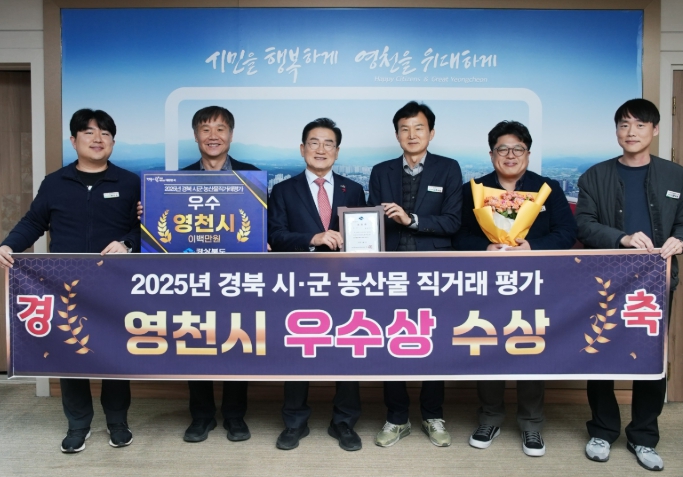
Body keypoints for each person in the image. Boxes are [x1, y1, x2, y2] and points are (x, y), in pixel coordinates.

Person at [0, 109, 140, 453]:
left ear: (113, 142)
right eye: (89, 132)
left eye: (105, 133)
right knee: (70, 353)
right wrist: (9, 245)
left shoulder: (129, 182)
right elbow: (34, 222)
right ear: (74, 140)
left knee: (115, 354)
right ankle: (78, 425)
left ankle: (118, 422)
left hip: (115, 283)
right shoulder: (55, 183)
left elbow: (149, 227)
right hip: (63, 283)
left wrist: (127, 242)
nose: (98, 139)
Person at [453, 120, 577, 457]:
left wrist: (532, 247)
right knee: (488, 346)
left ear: (528, 153)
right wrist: (485, 248)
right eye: (503, 149)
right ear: (491, 154)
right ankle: (490, 417)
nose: (510, 155)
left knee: (530, 347)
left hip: (535, 283)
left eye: (518, 149)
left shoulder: (547, 188)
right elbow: (457, 234)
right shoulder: (473, 189)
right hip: (486, 284)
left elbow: (567, 233)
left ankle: (531, 423)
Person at [576, 98, 683, 472]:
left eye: (639, 125)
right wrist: (621, 238)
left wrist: (679, 239)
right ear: (617, 131)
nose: (631, 131)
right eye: (624, 124)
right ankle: (602, 430)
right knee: (601, 351)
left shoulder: (676, 175)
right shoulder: (595, 176)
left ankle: (644, 436)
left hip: (656, 280)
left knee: (651, 358)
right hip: (606, 279)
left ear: (655, 130)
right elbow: (584, 224)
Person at [368, 101, 462, 448]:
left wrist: (412, 220)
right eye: (405, 129)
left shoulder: (448, 168)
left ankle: (433, 415)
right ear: (397, 135)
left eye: (419, 128)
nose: (412, 134)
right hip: (390, 270)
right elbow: (370, 222)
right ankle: (396, 418)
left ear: (431, 133)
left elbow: (453, 222)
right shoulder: (381, 171)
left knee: (432, 342)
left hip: (433, 270)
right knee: (393, 341)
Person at [268, 118, 366, 451]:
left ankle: (344, 422)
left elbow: (362, 235)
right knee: (299, 350)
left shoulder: (353, 190)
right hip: (300, 282)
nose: (321, 149)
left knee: (348, 349)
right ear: (302, 149)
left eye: (328, 143)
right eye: (314, 142)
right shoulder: (283, 190)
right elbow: (275, 236)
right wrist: (313, 238)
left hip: (345, 283)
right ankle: (294, 422)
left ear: (337, 151)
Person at [179, 106, 258, 444]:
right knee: (196, 343)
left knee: (236, 343)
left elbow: (261, 223)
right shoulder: (176, 180)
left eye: (220, 129)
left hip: (237, 278)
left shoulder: (252, 176)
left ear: (231, 135)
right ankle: (201, 416)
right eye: (205, 129)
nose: (213, 136)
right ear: (195, 135)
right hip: (193, 279)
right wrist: (148, 211)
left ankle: (235, 416)